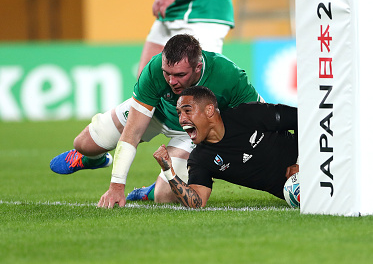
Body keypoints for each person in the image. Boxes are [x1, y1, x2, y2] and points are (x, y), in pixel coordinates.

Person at [50, 34, 262, 208]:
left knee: (165, 197)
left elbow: (262, 115)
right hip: (156, 113)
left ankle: (150, 191)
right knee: (83, 144)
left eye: (179, 75)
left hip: (191, 132)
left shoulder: (229, 75)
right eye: (167, 74)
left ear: (198, 67)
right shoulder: (154, 70)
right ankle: (95, 159)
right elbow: (132, 132)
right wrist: (117, 185)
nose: (171, 81)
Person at [153, 86, 298, 208]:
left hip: (317, 157)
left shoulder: (249, 115)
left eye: (187, 111)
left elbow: (302, 118)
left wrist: (301, 162)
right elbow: (197, 202)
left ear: (209, 110)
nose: (181, 119)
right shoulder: (200, 158)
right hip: (299, 192)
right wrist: (168, 171)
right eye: (179, 113)